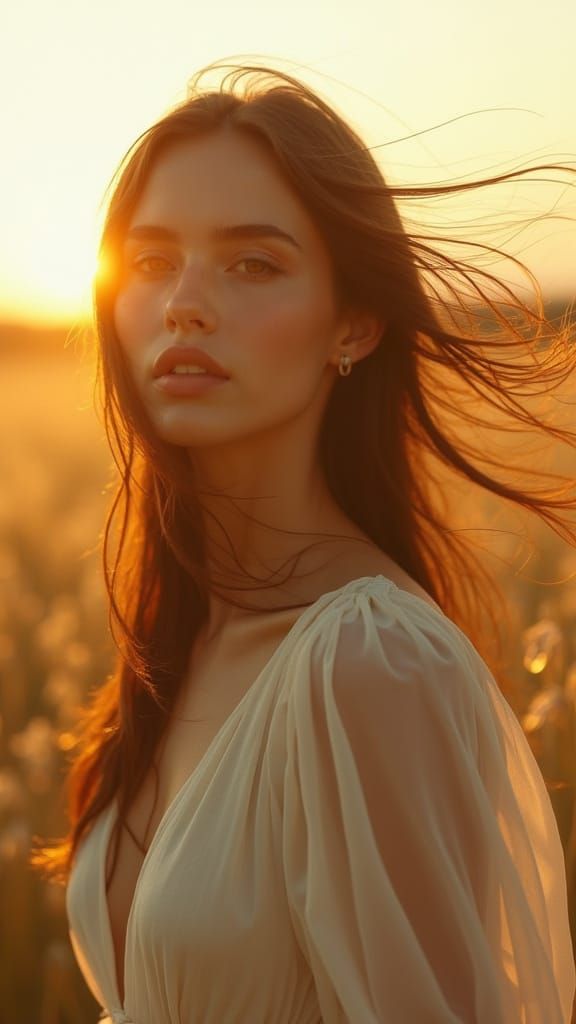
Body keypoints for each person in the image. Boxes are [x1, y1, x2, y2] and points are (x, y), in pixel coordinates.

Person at [30, 59, 576, 1023]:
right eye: (152, 261)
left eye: (252, 263)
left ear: (355, 324)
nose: (184, 303)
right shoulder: (181, 636)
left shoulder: (369, 664)